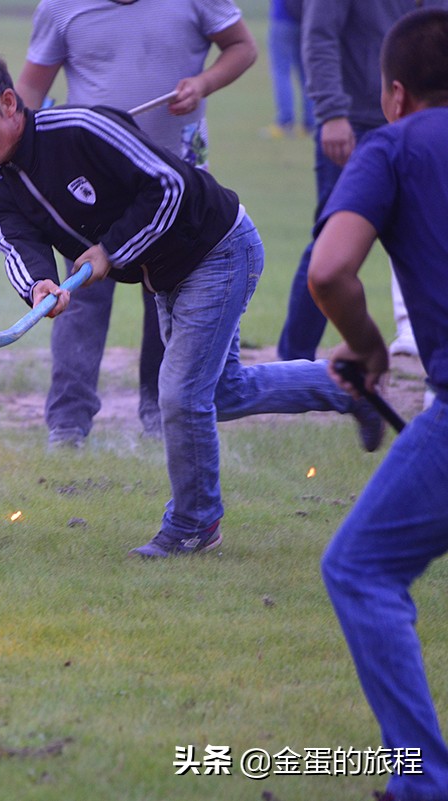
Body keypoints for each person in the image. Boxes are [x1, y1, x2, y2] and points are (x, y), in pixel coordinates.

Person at [0, 51, 382, 558]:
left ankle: (194, 524)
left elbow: (170, 185)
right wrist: (40, 287)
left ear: (9, 103)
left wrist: (110, 250)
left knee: (182, 395)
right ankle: (352, 388)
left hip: (217, 246)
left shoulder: (81, 127)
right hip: (167, 274)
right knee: (223, 393)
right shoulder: (1, 192)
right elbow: (19, 246)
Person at [12, 0, 257, 447]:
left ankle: (159, 411)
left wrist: (204, 83)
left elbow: (243, 46)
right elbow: (29, 87)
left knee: (166, 292)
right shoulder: (61, 7)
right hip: (86, 184)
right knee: (79, 296)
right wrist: (16, 160)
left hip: (174, 181)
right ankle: (68, 422)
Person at [310, 9, 448, 799]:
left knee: (361, 569)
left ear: (393, 94)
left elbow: (329, 270)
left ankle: (422, 784)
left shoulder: (391, 145)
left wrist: (365, 346)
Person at [276, 0, 443, 363]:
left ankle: (427, 350)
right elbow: (319, 36)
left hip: (429, 119)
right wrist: (332, 112)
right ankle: (295, 358)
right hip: (359, 121)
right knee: (332, 240)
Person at [262, 0, 314, 139]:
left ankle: (285, 121)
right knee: (307, 74)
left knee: (281, 72)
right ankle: (310, 123)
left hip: (283, 19)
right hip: (307, 19)